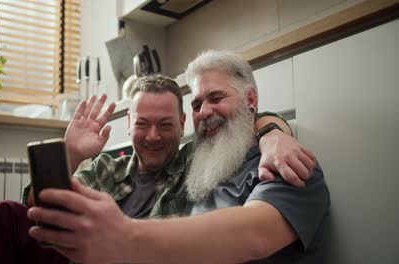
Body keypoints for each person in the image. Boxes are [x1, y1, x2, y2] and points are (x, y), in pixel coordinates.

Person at [0, 74, 314, 263]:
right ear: (129, 126)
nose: (153, 136)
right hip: (71, 257)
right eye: (142, 124)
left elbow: (238, 120)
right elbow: (38, 207)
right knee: (6, 215)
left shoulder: (195, 161)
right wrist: (71, 154)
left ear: (184, 122)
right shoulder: (107, 168)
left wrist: (273, 134)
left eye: (166, 125)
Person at [27, 50, 330, 263]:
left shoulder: (289, 165)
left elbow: (253, 236)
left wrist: (124, 235)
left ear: (251, 99)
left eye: (216, 98)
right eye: (197, 104)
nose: (205, 112)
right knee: (7, 217)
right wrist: (69, 155)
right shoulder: (203, 171)